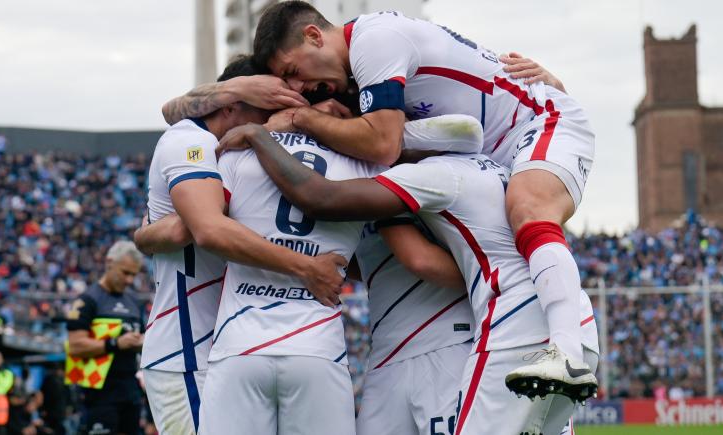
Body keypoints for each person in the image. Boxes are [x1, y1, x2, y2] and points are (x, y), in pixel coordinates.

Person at [238, 1, 594, 396]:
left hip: (538, 120)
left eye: (293, 72)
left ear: (314, 35)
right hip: (495, 149)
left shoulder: (373, 42)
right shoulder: (358, 70)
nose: (300, 88)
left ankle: (568, 353)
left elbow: (383, 143)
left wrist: (301, 119)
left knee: (527, 208)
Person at [218, 121, 600, 434]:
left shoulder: (418, 177)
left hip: (445, 343)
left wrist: (259, 134)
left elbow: (411, 254)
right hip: (414, 347)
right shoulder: (503, 170)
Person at [138, 55, 349, 435]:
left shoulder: (237, 155)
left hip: (229, 348)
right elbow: (206, 229)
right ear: (234, 106)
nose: (276, 122)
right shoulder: (192, 141)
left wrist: (147, 233)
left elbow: (167, 230)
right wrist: (307, 267)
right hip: (188, 352)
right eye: (270, 109)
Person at [353, 216, 474, 435]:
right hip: (387, 354)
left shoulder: (364, 188)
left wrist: (493, 278)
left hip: (447, 343)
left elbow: (419, 259)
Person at [65, 240, 145, 435]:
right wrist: (115, 343)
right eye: (125, 272)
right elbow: (74, 346)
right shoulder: (87, 300)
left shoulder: (134, 301)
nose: (129, 280)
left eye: (133, 275)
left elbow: (142, 336)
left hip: (130, 390)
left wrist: (142, 342)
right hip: (100, 392)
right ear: (109, 262)